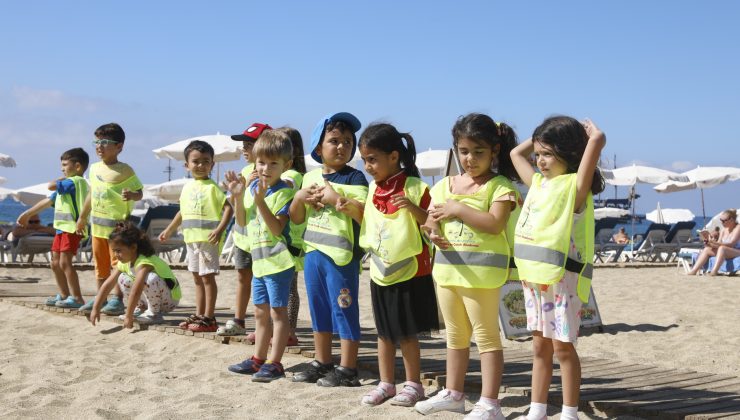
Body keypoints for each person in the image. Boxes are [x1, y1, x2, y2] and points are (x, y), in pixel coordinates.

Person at [415, 114, 521, 419]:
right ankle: (454, 393)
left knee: (486, 337)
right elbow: (429, 220)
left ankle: (490, 403)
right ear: (455, 150)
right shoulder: (446, 185)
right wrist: (431, 229)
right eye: (464, 151)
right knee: (455, 336)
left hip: (483, 277)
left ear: (494, 151)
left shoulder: (499, 187)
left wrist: (459, 209)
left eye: (478, 152)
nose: (470, 159)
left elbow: (494, 223)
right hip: (447, 273)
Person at [510, 116, 606, 420]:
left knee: (563, 349)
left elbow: (595, 145)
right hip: (534, 280)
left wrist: (594, 138)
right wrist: (539, 135)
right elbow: (515, 154)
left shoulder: (575, 188)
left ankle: (569, 412)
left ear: (570, 154)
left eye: (548, 154)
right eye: (538, 154)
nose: (539, 161)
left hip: (560, 282)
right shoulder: (538, 183)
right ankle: (537, 409)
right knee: (539, 349)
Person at [357, 123, 439, 407]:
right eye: (364, 160)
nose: (368, 166)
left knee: (406, 332)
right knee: (384, 331)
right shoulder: (371, 189)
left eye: (372, 159)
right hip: (381, 269)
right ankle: (386, 383)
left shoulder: (416, 187)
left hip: (411, 270)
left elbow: (432, 225)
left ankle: (414, 384)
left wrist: (411, 207)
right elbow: (370, 224)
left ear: (394, 156)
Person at [289, 112, 368, 387]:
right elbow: (296, 217)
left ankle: (348, 368)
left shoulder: (355, 178)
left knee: (344, 309)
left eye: (348, 141)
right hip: (313, 254)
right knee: (318, 308)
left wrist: (337, 199)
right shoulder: (309, 177)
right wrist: (299, 197)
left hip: (341, 259)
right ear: (318, 147)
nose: (342, 146)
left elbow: (363, 214)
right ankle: (322, 361)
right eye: (334, 140)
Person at [225, 129, 296, 382]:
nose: (266, 168)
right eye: (261, 162)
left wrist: (261, 201)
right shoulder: (253, 186)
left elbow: (277, 228)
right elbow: (242, 223)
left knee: (278, 312)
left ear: (286, 165)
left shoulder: (285, 192)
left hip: (278, 263)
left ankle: (275, 363)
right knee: (259, 312)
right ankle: (258, 359)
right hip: (260, 262)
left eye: (273, 163)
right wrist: (237, 197)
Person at [160, 140, 233, 332]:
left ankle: (209, 317)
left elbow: (228, 209)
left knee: (207, 278)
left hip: (207, 239)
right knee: (197, 278)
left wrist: (219, 230)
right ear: (187, 165)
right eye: (196, 161)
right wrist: (169, 229)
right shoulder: (187, 187)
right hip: (191, 239)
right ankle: (200, 315)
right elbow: (182, 212)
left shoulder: (213, 187)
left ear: (212, 164)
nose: (200, 165)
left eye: (205, 161)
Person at [77, 123, 144, 316]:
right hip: (97, 227)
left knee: (118, 264)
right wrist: (82, 217)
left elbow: (139, 192)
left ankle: (117, 299)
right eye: (96, 142)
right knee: (100, 265)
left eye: (105, 142)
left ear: (119, 146)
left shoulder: (125, 170)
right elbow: (92, 193)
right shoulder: (94, 168)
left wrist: (132, 194)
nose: (99, 146)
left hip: (117, 228)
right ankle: (101, 297)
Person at [216, 122, 272, 338]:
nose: (244, 148)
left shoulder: (268, 169)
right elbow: (235, 201)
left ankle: (264, 324)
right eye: (244, 144)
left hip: (261, 238)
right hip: (242, 235)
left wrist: (248, 184)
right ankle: (239, 319)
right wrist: (235, 191)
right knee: (242, 276)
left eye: (249, 144)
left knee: (262, 281)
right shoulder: (246, 170)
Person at [16, 148, 89, 308]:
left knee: (65, 263)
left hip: (72, 229)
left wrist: (61, 177)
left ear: (77, 166)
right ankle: (64, 294)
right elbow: (49, 200)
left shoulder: (74, 182)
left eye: (64, 165)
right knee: (55, 263)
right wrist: (28, 214)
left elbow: (51, 186)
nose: (62, 169)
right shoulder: (66, 186)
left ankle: (77, 298)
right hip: (61, 229)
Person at [89, 222, 181, 327]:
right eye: (114, 251)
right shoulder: (125, 262)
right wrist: (95, 308)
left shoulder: (144, 262)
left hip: (169, 301)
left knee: (150, 278)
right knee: (123, 278)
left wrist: (128, 316)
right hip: (152, 297)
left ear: (133, 247)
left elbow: (136, 291)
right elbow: (108, 284)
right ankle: (141, 308)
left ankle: (154, 313)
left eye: (118, 251)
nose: (115, 255)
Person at [277, 126, 307, 347]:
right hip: (286, 239)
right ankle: (284, 329)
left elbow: (286, 184)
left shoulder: (292, 175)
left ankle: (290, 330)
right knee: (285, 287)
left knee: (289, 288)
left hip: (290, 240)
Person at [688, 209, 740, 276]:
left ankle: (714, 271)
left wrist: (716, 243)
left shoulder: (738, 228)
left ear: (732, 220)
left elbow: (731, 244)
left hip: (737, 251)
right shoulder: (723, 230)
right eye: (721, 220)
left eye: (724, 221)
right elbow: (718, 244)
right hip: (726, 251)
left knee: (722, 248)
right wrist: (710, 244)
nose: (722, 223)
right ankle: (694, 270)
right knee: (707, 249)